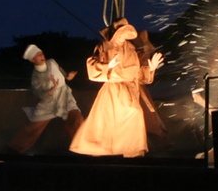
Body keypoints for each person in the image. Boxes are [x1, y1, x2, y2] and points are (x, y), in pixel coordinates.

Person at [69, 18, 164, 158]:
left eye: (126, 34)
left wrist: (150, 68)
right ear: (115, 33)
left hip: (130, 91)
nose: (124, 36)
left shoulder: (131, 49)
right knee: (109, 123)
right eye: (121, 33)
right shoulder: (104, 47)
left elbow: (136, 74)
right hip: (114, 91)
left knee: (134, 116)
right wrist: (108, 66)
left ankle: (133, 153)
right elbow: (92, 67)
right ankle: (101, 155)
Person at [7, 44, 84, 154]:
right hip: (49, 102)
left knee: (76, 119)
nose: (42, 56)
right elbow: (38, 93)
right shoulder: (36, 77)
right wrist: (51, 90)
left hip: (65, 96)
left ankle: (83, 148)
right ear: (33, 59)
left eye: (41, 53)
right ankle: (13, 150)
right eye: (38, 55)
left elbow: (61, 72)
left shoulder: (52, 62)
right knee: (32, 127)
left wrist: (68, 76)